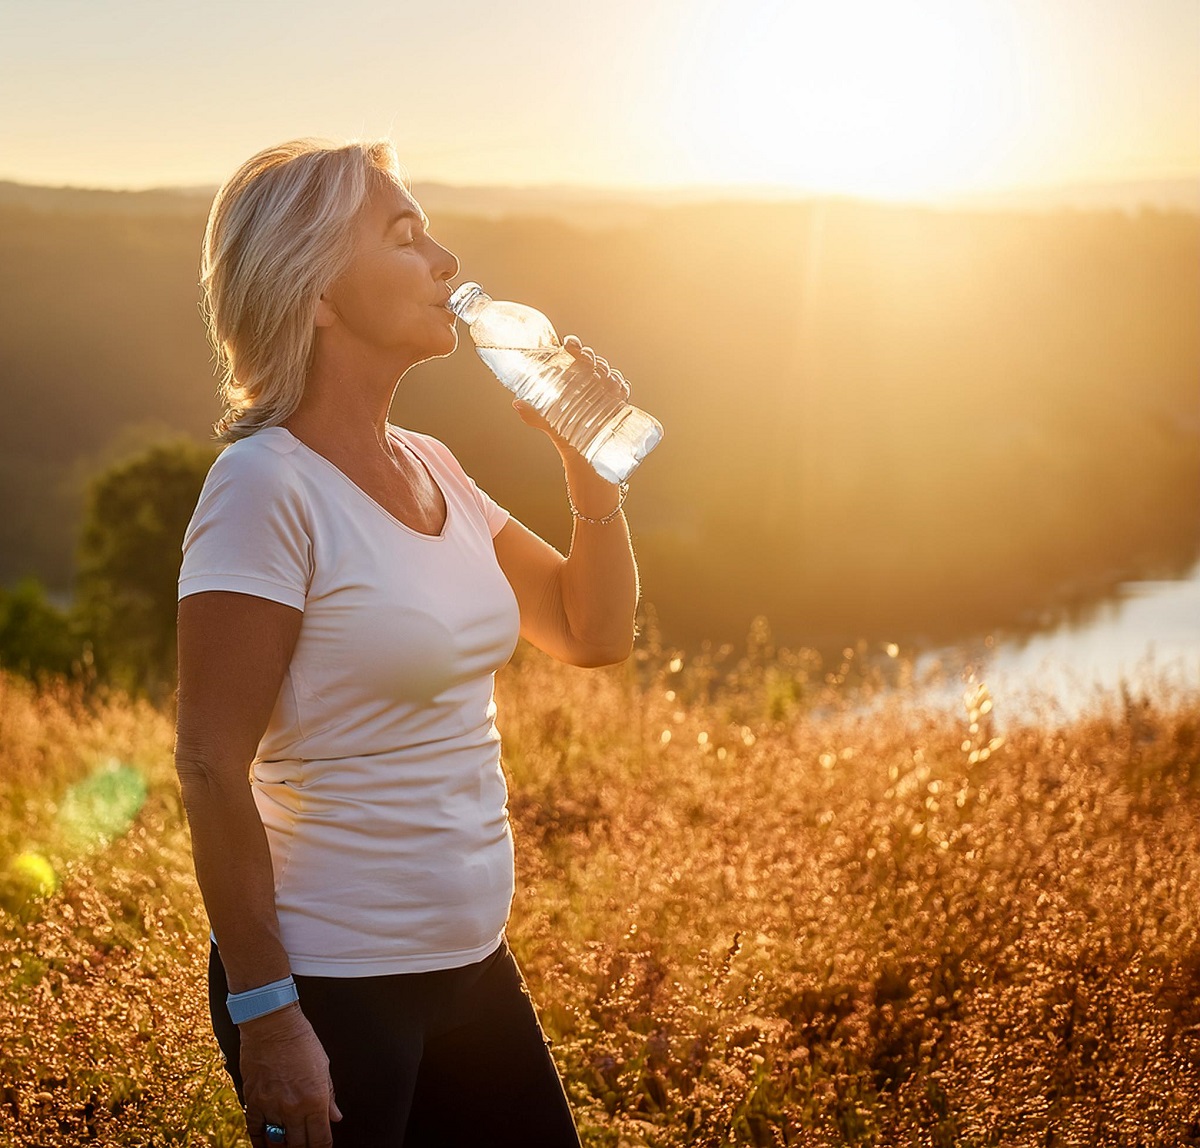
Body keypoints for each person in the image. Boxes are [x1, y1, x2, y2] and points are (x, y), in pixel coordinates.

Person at [173, 138, 640, 1148]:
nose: (447, 262)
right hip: (334, 987)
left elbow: (591, 632)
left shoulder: (433, 464)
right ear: (318, 293)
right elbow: (210, 761)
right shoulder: (266, 486)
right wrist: (268, 1012)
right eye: (405, 236)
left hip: (473, 966)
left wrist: (589, 470)